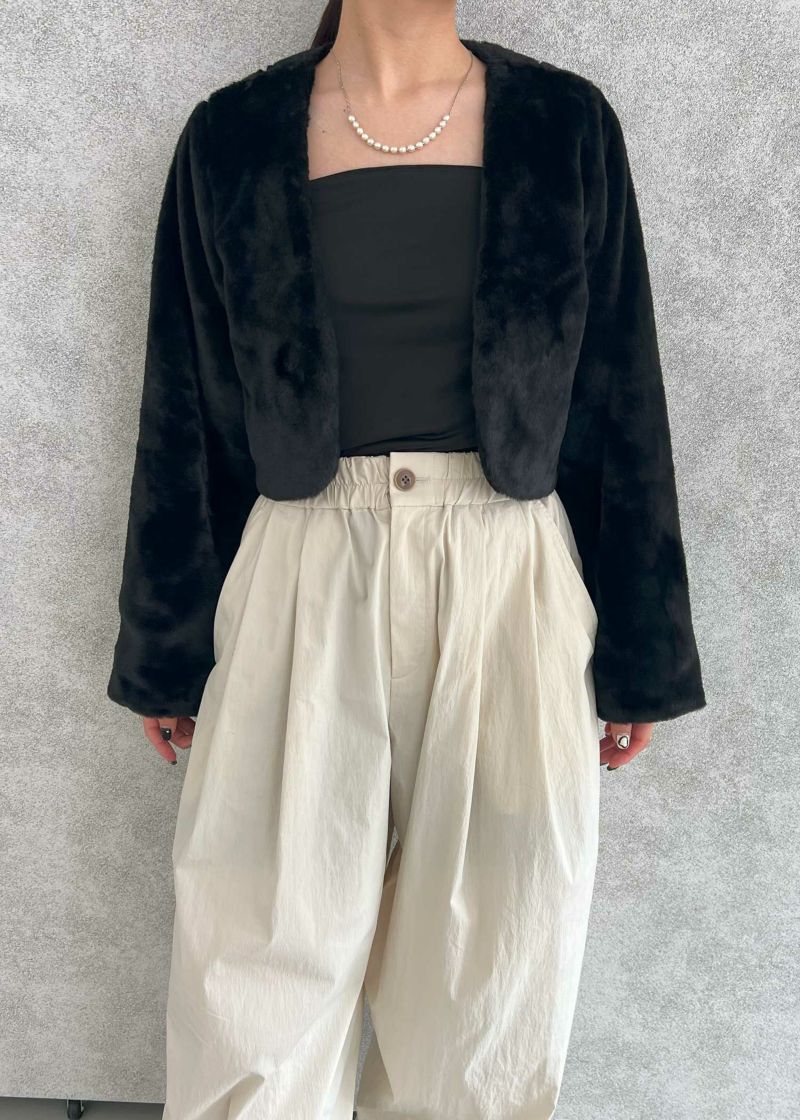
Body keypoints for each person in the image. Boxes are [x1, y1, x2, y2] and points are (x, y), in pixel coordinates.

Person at [106, 2, 706, 1117]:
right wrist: (166, 649)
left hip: (510, 583)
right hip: (298, 573)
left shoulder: (563, 126)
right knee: (255, 982)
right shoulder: (231, 137)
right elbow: (182, 405)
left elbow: (621, 393)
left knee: (485, 999)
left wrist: (642, 653)